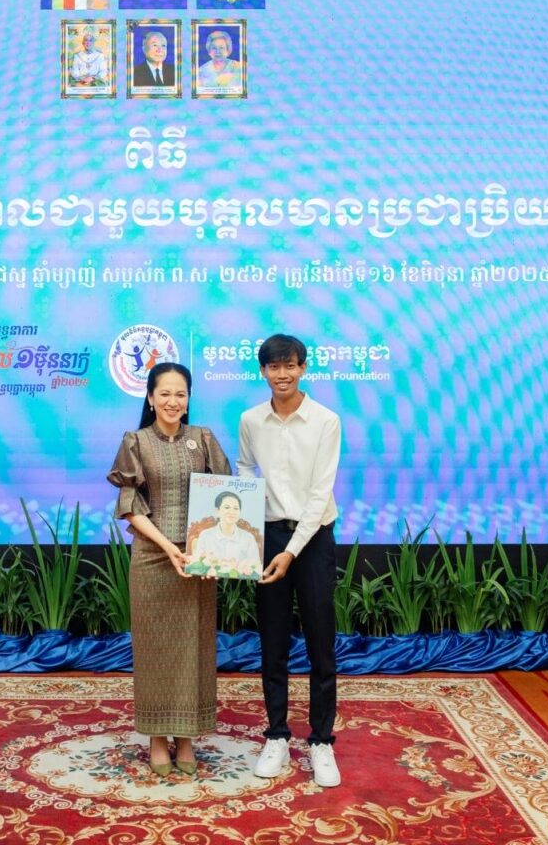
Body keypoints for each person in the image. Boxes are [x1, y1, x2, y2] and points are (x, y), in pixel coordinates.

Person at [107, 362, 231, 777]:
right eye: (165, 393)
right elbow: (130, 507)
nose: (173, 401)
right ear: (150, 398)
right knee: (154, 649)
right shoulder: (136, 441)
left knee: (194, 648)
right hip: (152, 556)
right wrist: (167, 547)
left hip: (197, 559)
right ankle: (157, 737)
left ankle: (188, 735)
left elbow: (227, 496)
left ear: (189, 399)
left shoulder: (204, 438)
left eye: (180, 394)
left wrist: (213, 552)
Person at [237, 334, 342, 788]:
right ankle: (277, 735)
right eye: (273, 367)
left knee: (321, 641)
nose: (282, 374)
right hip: (270, 536)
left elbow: (319, 496)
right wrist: (249, 526)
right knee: (273, 641)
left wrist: (291, 551)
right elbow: (244, 469)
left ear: (303, 368)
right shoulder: (250, 420)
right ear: (263, 371)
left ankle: (321, 741)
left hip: (313, 538)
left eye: (290, 365)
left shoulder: (326, 421)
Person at [193, 491, 262, 572]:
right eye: (227, 507)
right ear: (217, 511)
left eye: (236, 508)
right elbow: (199, 564)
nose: (232, 512)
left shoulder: (248, 538)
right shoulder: (205, 535)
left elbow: (256, 567)